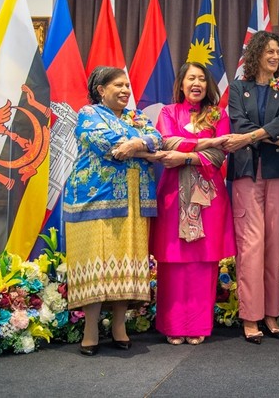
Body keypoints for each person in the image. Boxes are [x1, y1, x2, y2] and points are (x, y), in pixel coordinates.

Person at [63, 66, 163, 356]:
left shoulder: (135, 116)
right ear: (101, 90)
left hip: (132, 201)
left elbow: (158, 137)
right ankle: (90, 330)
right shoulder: (88, 114)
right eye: (117, 85)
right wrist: (140, 145)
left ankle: (120, 326)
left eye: (127, 86)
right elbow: (107, 143)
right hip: (92, 201)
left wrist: (135, 143)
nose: (125, 91)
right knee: (94, 262)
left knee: (126, 263)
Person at [224, 30, 279, 344]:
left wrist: (251, 138)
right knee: (251, 244)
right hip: (246, 171)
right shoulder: (237, 87)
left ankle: (271, 313)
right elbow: (237, 123)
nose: (274, 57)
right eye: (268, 51)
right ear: (256, 54)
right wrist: (262, 137)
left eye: (277, 52)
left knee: (274, 239)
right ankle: (251, 315)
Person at [150, 62, 236, 346]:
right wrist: (202, 144)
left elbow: (219, 155)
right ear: (182, 84)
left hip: (207, 197)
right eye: (191, 78)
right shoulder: (168, 112)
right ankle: (173, 325)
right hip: (174, 196)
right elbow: (167, 143)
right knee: (172, 262)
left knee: (203, 262)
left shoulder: (218, 114)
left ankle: (198, 324)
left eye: (201, 78)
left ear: (208, 85)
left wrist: (187, 156)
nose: (196, 83)